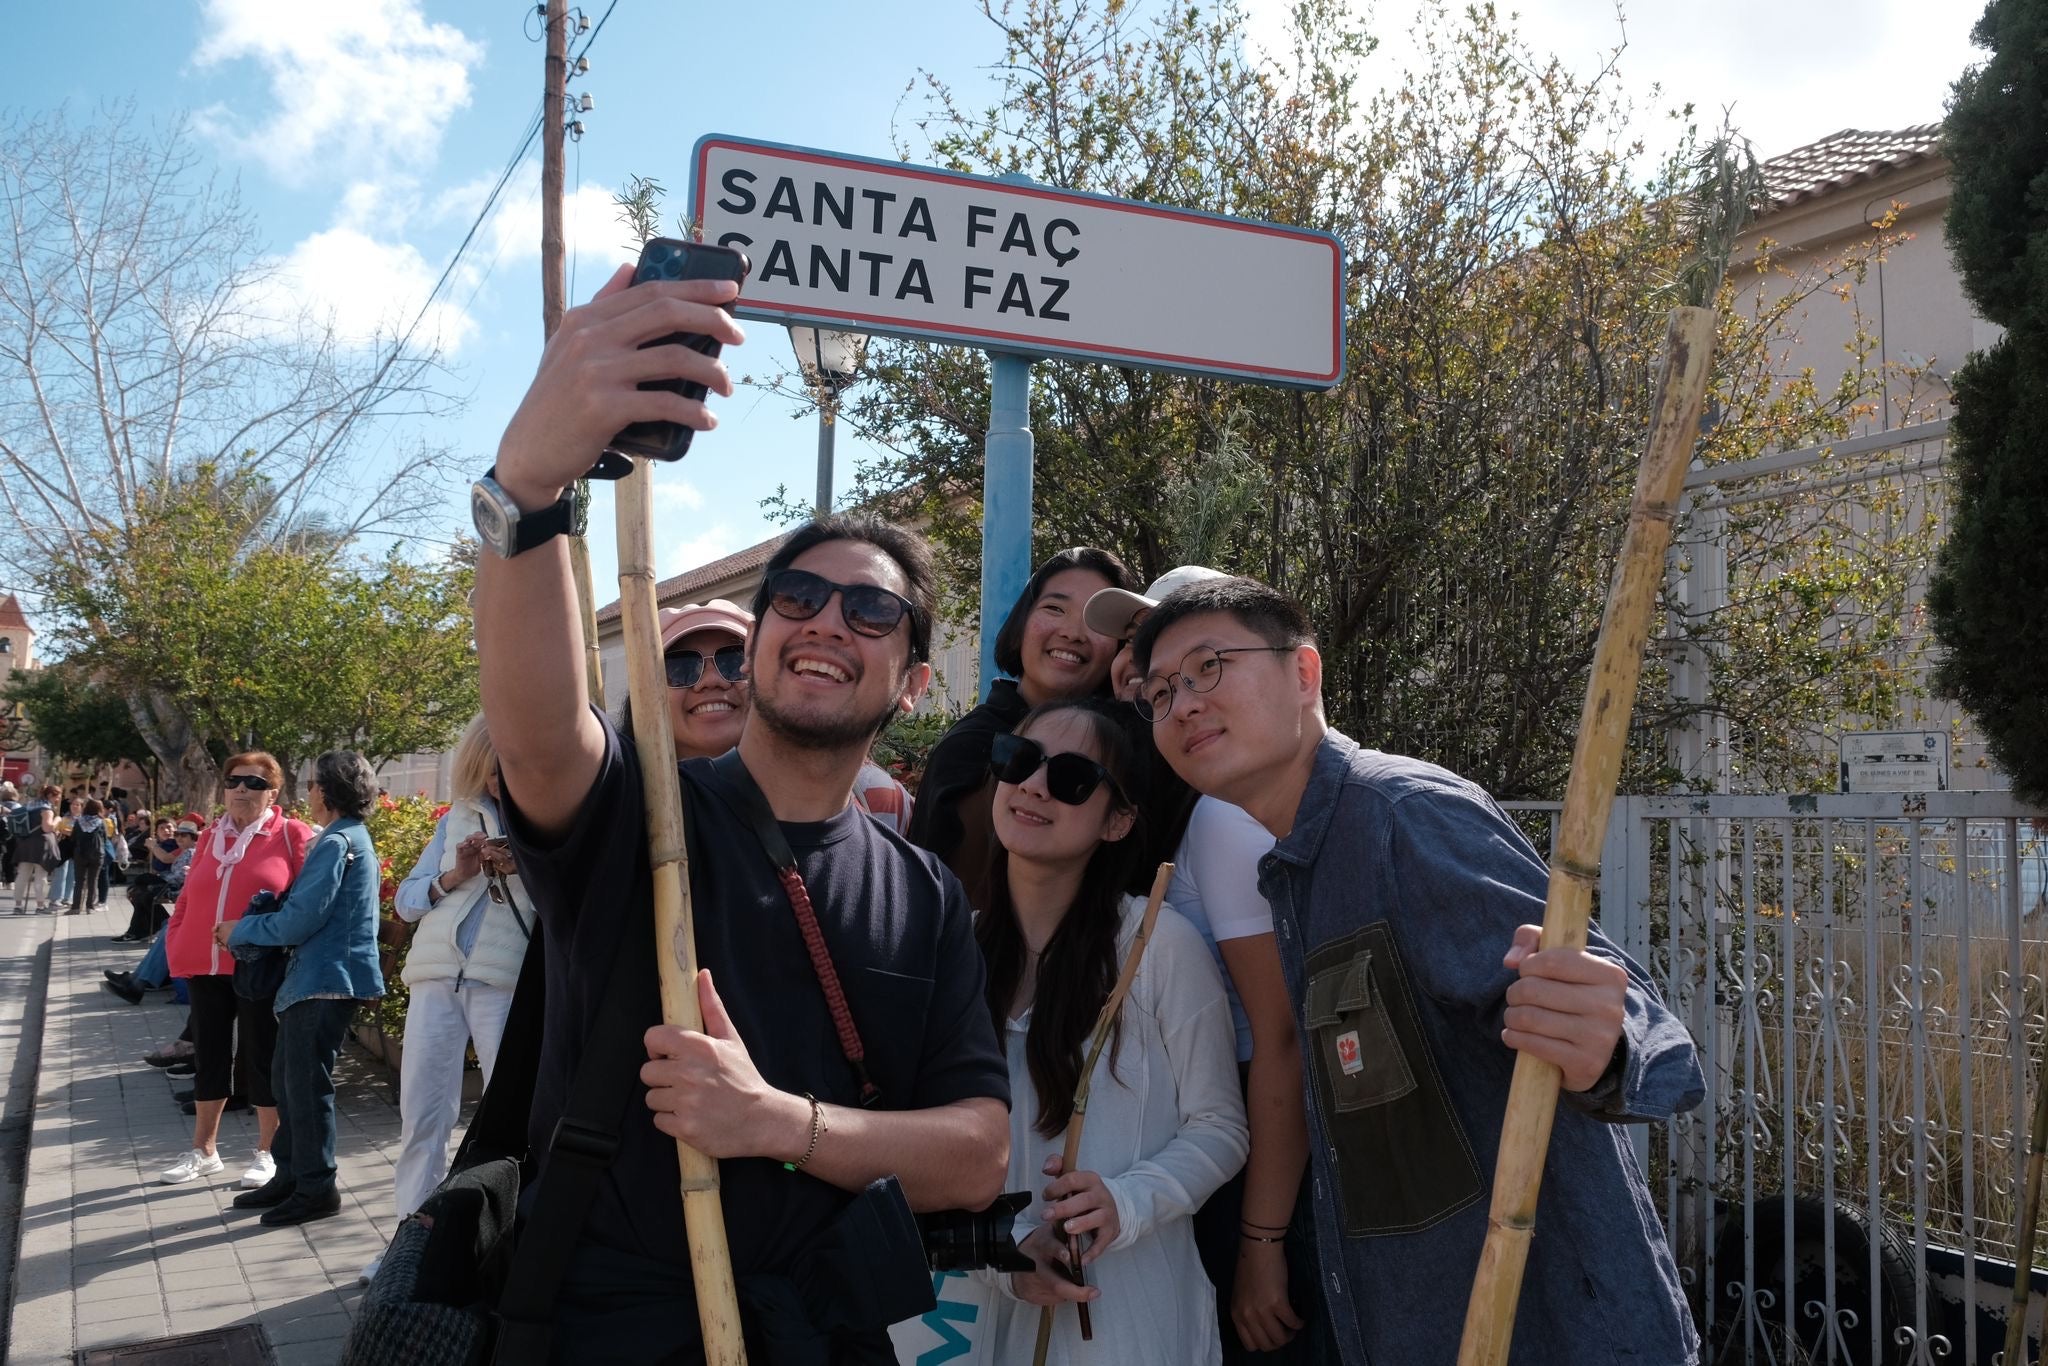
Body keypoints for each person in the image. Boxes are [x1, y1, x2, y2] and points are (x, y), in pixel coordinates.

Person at [476, 260, 1009, 1362]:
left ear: (915, 680)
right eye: (797, 598)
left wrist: (779, 1124)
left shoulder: (924, 893)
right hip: (604, 1332)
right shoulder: (643, 813)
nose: (826, 620)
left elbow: (974, 1152)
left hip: (821, 1331)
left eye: (872, 610)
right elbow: (538, 732)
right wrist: (528, 491)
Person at [1129, 577, 1706, 1365]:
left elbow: (1622, 1012)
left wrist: (1607, 1045)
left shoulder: (1402, 816)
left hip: (1549, 1329)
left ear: (1303, 675)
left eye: (1208, 668)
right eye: (1160, 692)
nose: (1184, 704)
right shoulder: (1296, 868)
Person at [975, 697, 1247, 1364]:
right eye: (1021, 762)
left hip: (1131, 1317)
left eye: (1071, 779)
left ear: (1119, 820)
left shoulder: (1155, 944)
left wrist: (1125, 1203)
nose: (1035, 786)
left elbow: (1221, 1127)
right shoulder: (957, 946)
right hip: (990, 1315)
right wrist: (998, 1253)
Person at [1089, 568, 1312, 1361]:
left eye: (1203, 666)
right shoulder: (1199, 801)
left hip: (1260, 1156)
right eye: (1155, 677)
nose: (1179, 694)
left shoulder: (1227, 817)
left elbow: (1280, 1037)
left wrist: (1262, 1242)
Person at [372, 715, 533, 1277]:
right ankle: (406, 1249)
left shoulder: (552, 819)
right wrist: (458, 872)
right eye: (491, 770)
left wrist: (527, 869)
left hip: (503, 981)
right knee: (422, 1115)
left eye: (510, 768)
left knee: (510, 1120)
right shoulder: (455, 819)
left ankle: (507, 1246)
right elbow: (408, 902)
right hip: (437, 979)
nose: (498, 781)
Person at [907, 547, 1136, 904]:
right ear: (1022, 623)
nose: (1073, 632)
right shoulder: (972, 746)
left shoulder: (1128, 749)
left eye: (1095, 621)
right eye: (1054, 608)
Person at [224, 749, 385, 1226]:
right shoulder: (343, 838)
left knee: (305, 1088)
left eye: (313, 783)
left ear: (329, 790)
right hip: (319, 979)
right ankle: (292, 1176)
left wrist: (242, 930)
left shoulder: (337, 842)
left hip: (325, 980)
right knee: (288, 1083)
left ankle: (316, 1188)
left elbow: (301, 920)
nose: (308, 791)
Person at [157, 753, 311, 1189]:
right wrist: (178, 942)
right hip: (205, 964)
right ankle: (203, 1151)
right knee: (209, 1053)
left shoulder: (290, 835)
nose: (242, 789)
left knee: (261, 1054)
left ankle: (268, 1153)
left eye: (254, 783)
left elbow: (303, 902)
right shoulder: (209, 837)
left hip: (260, 965)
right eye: (234, 781)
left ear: (273, 793)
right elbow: (188, 896)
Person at [627, 598, 917, 824]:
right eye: (680, 668)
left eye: (732, 660)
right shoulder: (618, 806)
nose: (711, 680)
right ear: (643, 694)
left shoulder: (873, 796)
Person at [104, 821, 201, 1004]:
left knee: (169, 928)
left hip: (212, 919)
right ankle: (137, 980)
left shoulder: (195, 854)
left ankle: (137, 982)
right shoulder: (191, 853)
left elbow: (169, 865)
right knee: (166, 925)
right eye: (177, 835)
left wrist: (154, 847)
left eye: (183, 835)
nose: (178, 838)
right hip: (192, 908)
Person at [7, 784, 60, 913]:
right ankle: (40, 906)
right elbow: (47, 828)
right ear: (50, 796)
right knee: (40, 876)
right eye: (57, 796)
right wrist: (57, 820)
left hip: (25, 843)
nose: (58, 799)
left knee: (22, 875)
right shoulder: (47, 809)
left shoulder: (30, 805)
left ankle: (18, 906)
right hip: (41, 844)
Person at [65, 796, 109, 915]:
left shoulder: (79, 821)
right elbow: (105, 839)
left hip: (80, 854)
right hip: (97, 853)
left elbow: (73, 838)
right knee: (93, 880)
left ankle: (75, 907)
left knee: (79, 881)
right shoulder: (101, 822)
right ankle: (90, 907)